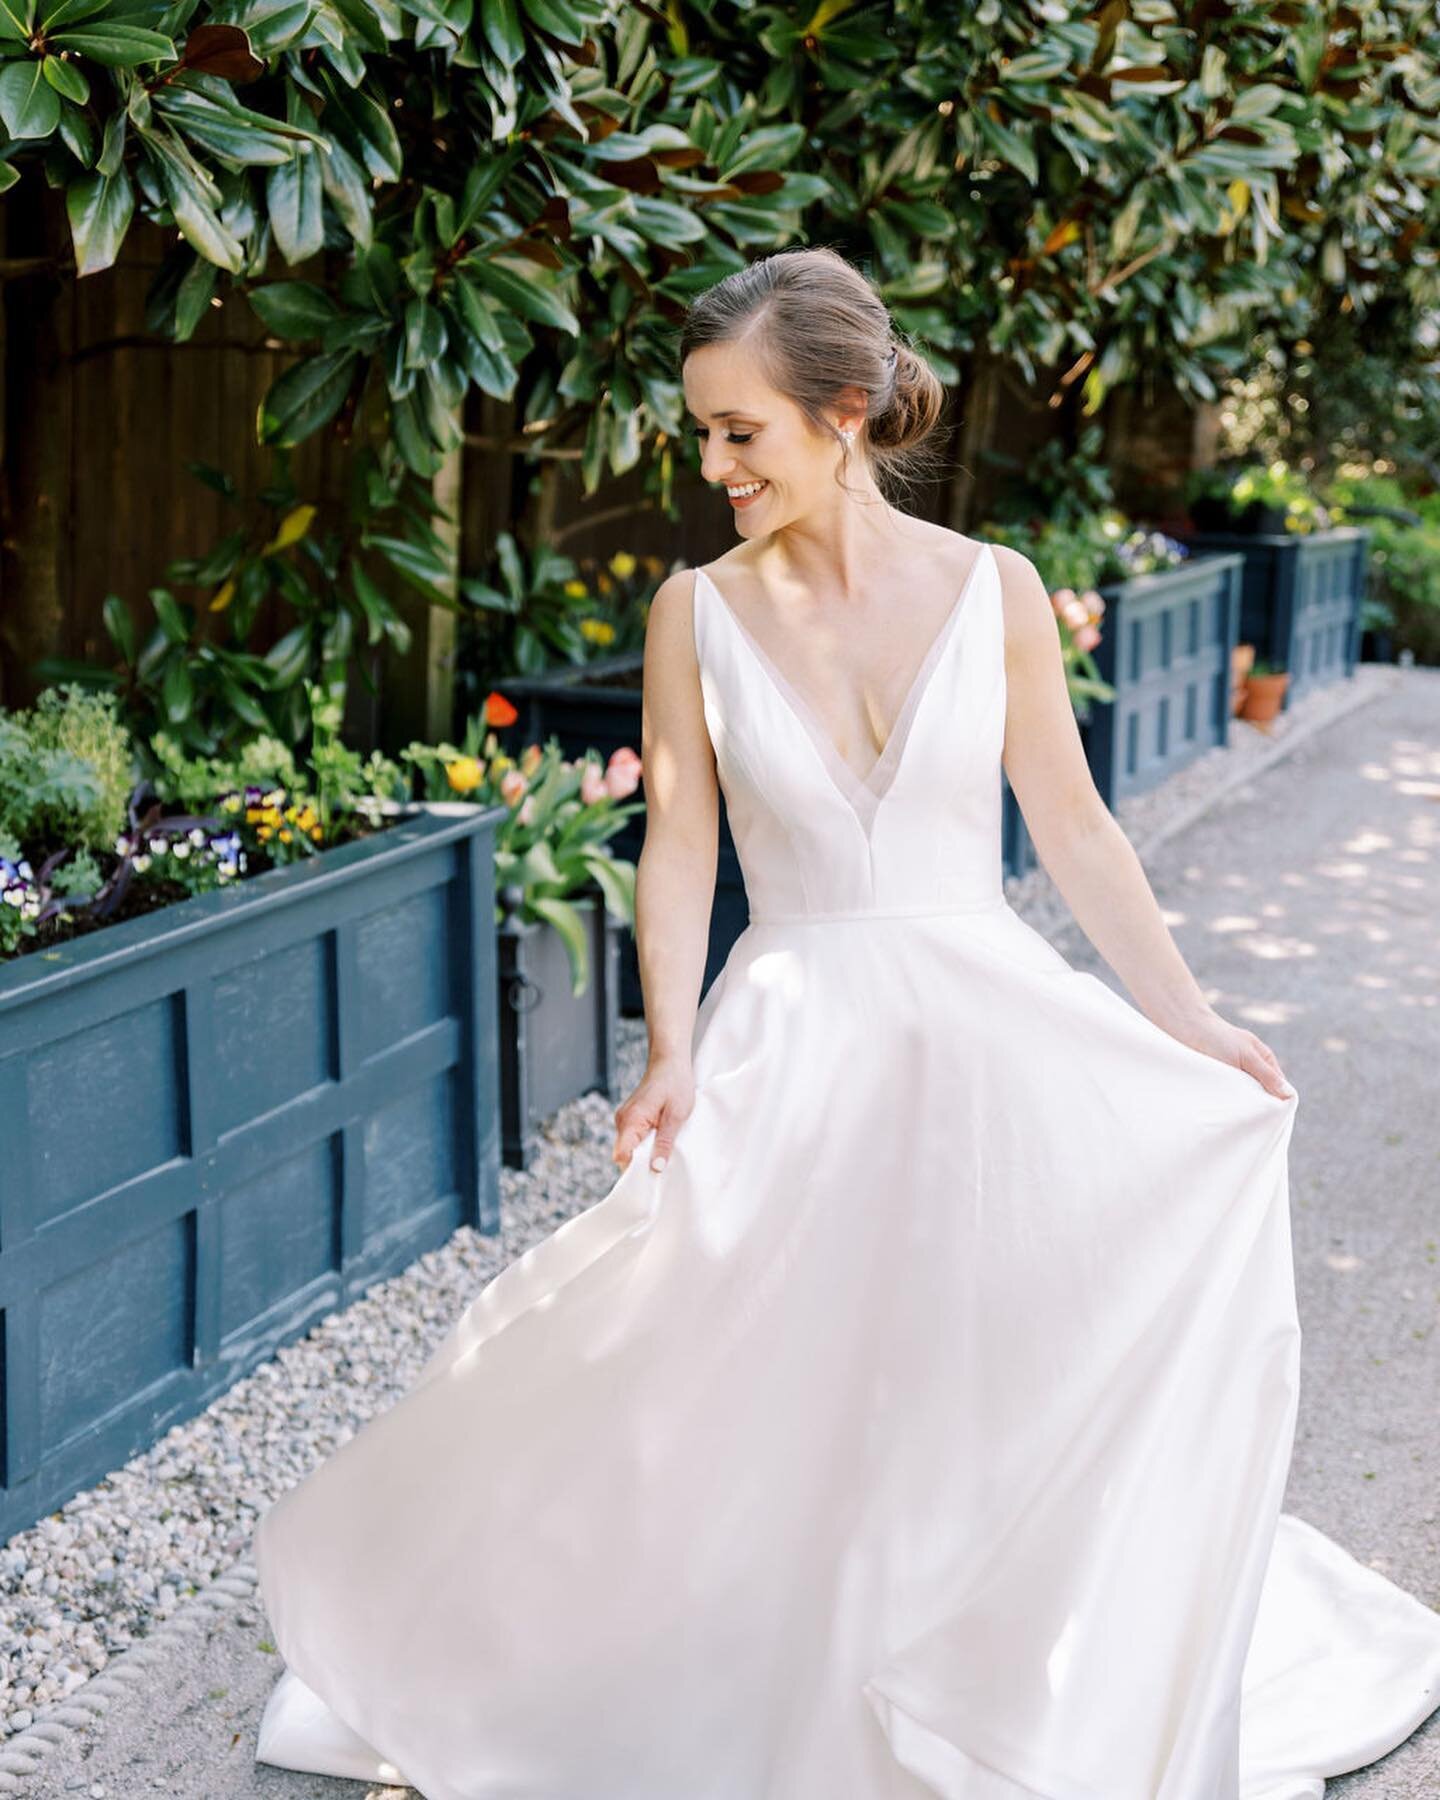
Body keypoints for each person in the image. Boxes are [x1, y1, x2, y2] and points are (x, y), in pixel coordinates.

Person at [251, 247, 1440, 1799]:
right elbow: (679, 844)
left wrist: (1189, 1020)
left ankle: (977, 1656)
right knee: (756, 1369)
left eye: (739, 432)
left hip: (986, 1028)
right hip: (795, 1037)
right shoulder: (696, 612)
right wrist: (669, 1048)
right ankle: (771, 1648)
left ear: (846, 415)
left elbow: (1074, 828)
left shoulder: (996, 589)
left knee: (978, 1353)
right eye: (701, 433)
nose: (711, 466)